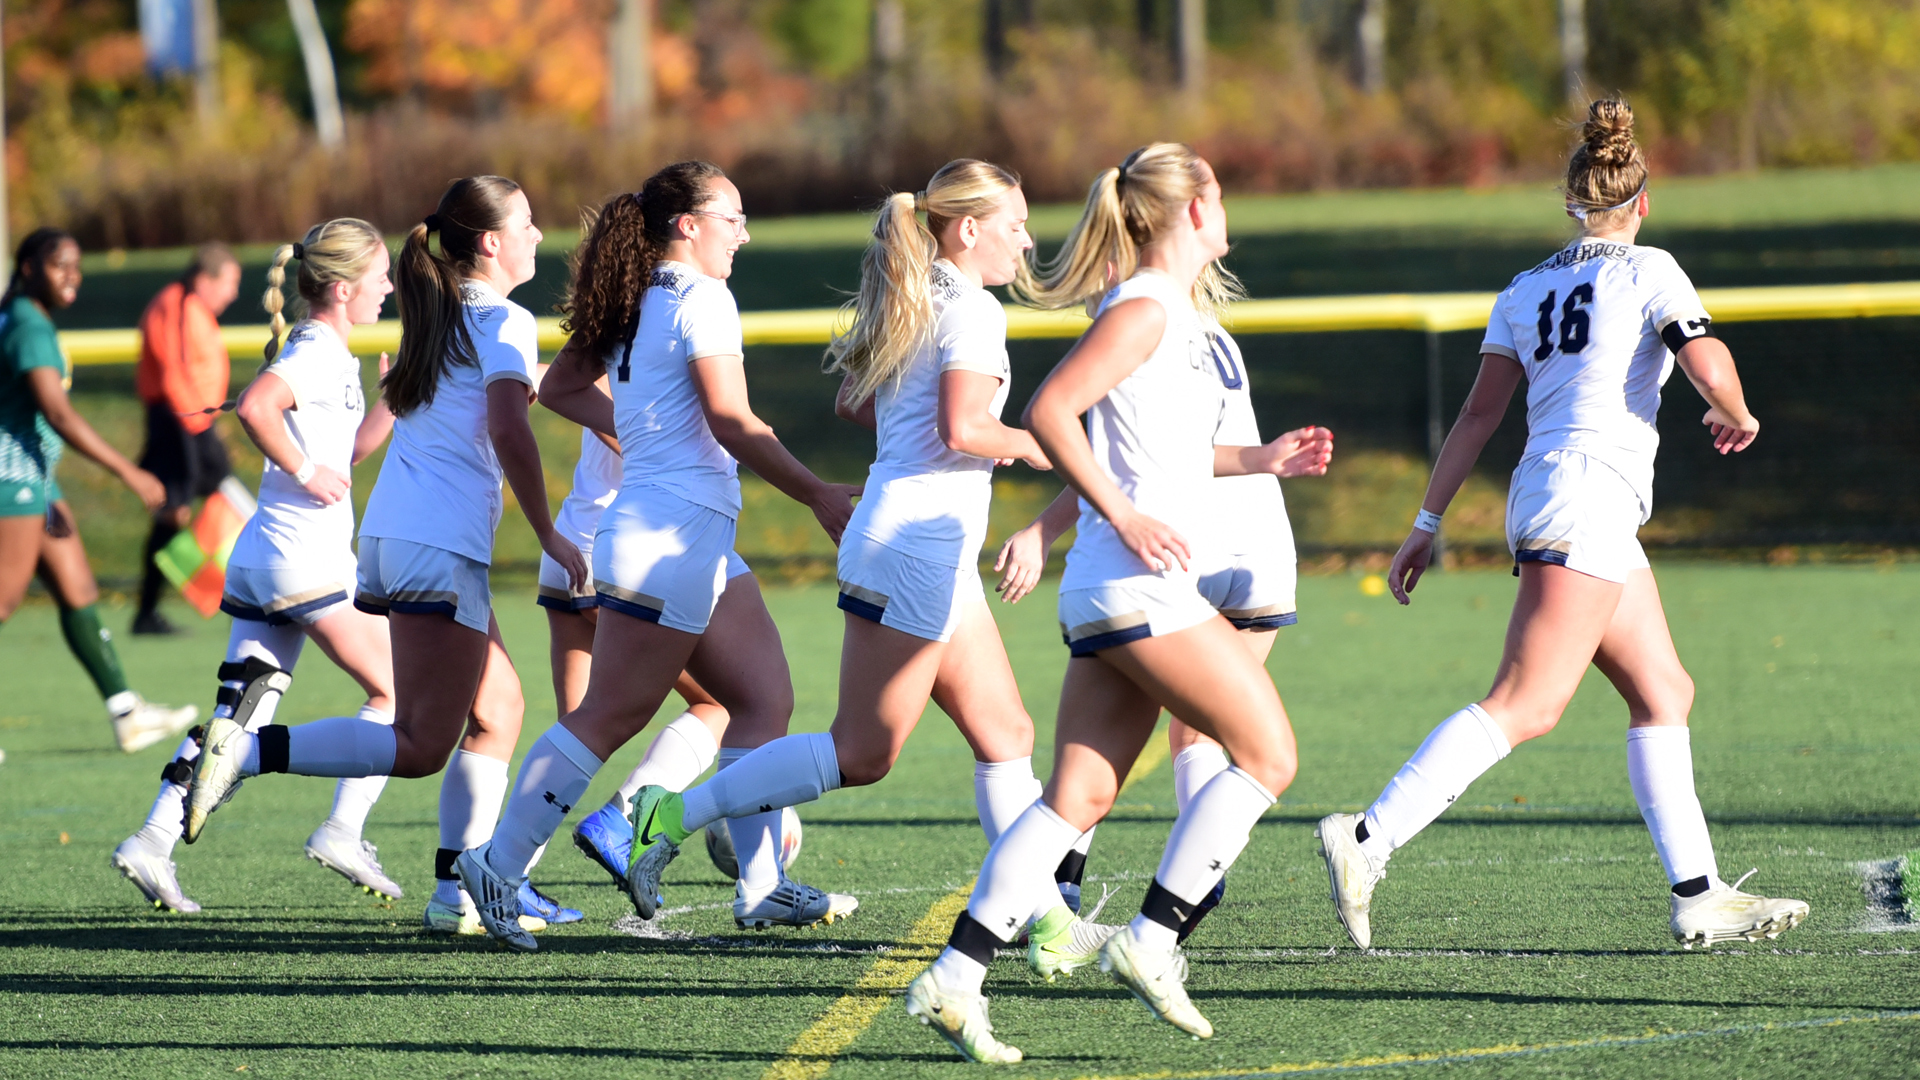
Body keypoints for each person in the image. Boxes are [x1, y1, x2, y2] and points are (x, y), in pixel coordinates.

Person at [1315, 100, 1809, 954]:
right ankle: (1368, 836)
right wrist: (1738, 411)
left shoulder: (1524, 287)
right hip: (1587, 495)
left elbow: (1477, 417)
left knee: (1664, 691)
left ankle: (1698, 894)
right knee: (1528, 703)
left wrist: (1426, 522)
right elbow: (1705, 361)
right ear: (1641, 201)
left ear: (1573, 205)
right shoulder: (1650, 268)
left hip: (1559, 491)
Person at [905, 143, 1326, 1062]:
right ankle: (1154, 940)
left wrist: (1261, 459)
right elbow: (1053, 411)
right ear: (1193, 211)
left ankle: (955, 976)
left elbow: (1163, 454)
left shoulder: (1167, 310)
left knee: (1078, 796)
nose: (1227, 211)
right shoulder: (1143, 307)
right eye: (1219, 195)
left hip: (1116, 590)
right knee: (1270, 755)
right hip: (1138, 586)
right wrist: (1126, 516)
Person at [624, 159, 1064, 930]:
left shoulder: (921, 292)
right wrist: (1033, 443)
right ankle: (671, 815)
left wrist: (940, 434)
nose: (1027, 242)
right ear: (968, 230)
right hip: (915, 548)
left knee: (1007, 734)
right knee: (861, 754)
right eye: (1016, 225)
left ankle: (1046, 922)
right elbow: (963, 427)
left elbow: (857, 401)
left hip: (922, 541)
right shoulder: (972, 310)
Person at [455, 159, 858, 952]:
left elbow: (562, 388)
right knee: (610, 714)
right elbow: (732, 420)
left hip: (683, 533)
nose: (743, 234)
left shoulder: (636, 295)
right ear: (688, 225)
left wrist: (643, 431)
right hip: (671, 536)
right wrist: (815, 492)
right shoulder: (702, 297)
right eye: (733, 218)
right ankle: (494, 867)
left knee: (763, 699)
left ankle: (761, 888)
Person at [184, 176, 589, 939]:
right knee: (420, 746)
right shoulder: (501, 318)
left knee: (499, 709)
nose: (539, 235)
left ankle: (457, 894)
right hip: (437, 546)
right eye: (527, 222)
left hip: (403, 538)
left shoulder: (439, 314)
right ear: (491, 243)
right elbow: (509, 429)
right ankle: (248, 751)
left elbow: (482, 404)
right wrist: (548, 532)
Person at [994, 310, 1333, 944]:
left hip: (1178, 544)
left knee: (1096, 748)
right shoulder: (1210, 330)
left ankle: (1059, 901)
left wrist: (1041, 531)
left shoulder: (1140, 318)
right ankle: (1190, 887)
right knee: (1201, 733)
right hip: (1263, 542)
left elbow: (1116, 461)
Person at [111, 219, 410, 913]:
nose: (390, 287)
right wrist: (304, 471)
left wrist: (390, 402)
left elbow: (345, 456)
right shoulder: (317, 350)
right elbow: (256, 406)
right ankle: (343, 829)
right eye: (380, 276)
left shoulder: (330, 351)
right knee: (399, 696)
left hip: (268, 560)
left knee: (235, 717)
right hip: (303, 561)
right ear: (342, 288)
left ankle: (152, 840)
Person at [0, 227, 198, 751]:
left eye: (77, 267)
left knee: (80, 591)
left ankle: (126, 712)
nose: (72, 276)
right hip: (11, 479)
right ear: (29, 269)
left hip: (35, 479)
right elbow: (58, 413)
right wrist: (128, 472)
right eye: (59, 265)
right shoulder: (28, 324)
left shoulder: (22, 317)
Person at [537, 409, 741, 899]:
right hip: (618, 552)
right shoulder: (663, 371)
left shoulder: (613, 366)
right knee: (723, 704)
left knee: (577, 733)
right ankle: (623, 818)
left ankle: (494, 875)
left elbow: (548, 380)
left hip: (573, 542)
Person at [134, 243, 242, 635]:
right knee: (187, 506)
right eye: (229, 282)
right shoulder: (176, 304)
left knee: (200, 503)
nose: (233, 293)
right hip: (179, 423)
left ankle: (223, 592)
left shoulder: (194, 309)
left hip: (192, 422)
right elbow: (174, 374)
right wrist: (198, 429)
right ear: (204, 279)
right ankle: (155, 606)